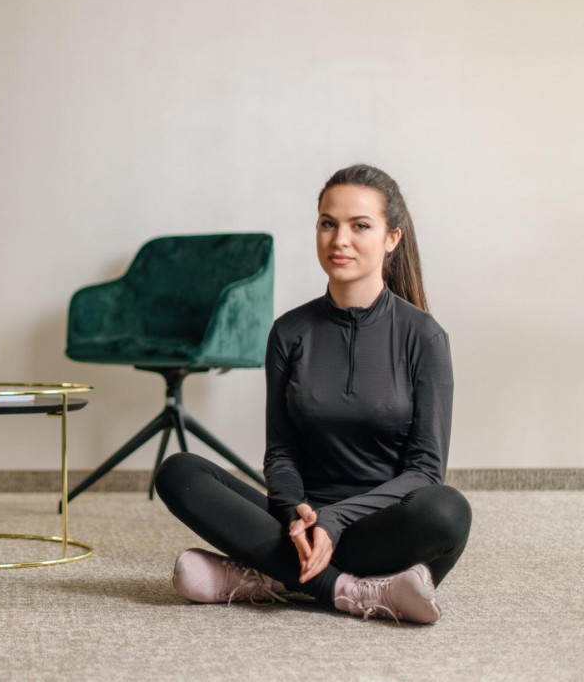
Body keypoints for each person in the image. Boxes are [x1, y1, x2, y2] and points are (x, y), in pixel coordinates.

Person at [154, 164, 472, 624]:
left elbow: (425, 470)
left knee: (447, 511)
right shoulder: (290, 332)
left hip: (379, 526)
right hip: (298, 523)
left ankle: (271, 577)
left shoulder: (424, 337)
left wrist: (336, 520)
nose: (340, 240)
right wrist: (294, 514)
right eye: (328, 223)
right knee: (179, 472)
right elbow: (281, 452)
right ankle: (348, 590)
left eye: (360, 226)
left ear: (392, 239)